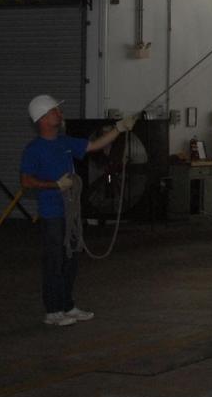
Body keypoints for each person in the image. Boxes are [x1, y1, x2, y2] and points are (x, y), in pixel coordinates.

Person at [20, 95, 137, 326]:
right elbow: (26, 181)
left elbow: (95, 145)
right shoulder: (34, 149)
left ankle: (67, 305)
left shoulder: (65, 142)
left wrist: (119, 128)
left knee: (71, 259)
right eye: (54, 111)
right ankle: (53, 311)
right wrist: (55, 185)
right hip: (52, 213)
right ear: (42, 119)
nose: (60, 114)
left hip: (70, 213)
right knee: (54, 260)